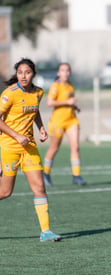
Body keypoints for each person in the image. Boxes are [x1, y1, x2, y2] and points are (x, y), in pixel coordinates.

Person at [0, 58, 62, 242]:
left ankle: (46, 231)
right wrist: (17, 135)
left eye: (27, 72)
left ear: (33, 73)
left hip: (29, 147)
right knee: (4, 192)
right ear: (16, 74)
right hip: (9, 147)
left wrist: (40, 127)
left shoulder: (38, 92)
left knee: (40, 188)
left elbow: (34, 111)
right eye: (20, 72)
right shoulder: (9, 93)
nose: (23, 76)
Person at [42, 63, 86, 186]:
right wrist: (67, 101)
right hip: (58, 122)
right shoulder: (55, 86)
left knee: (75, 147)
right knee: (54, 148)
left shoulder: (70, 86)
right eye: (62, 70)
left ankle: (76, 176)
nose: (65, 73)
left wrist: (75, 106)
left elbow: (69, 101)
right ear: (58, 73)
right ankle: (46, 173)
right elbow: (50, 102)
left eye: (67, 70)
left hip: (72, 120)